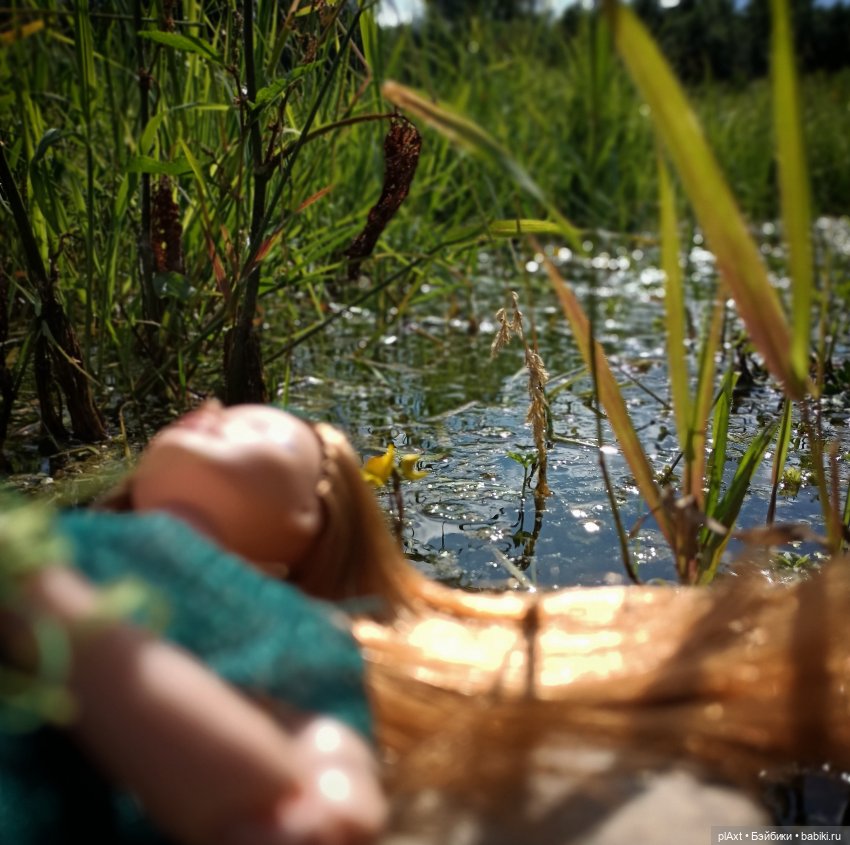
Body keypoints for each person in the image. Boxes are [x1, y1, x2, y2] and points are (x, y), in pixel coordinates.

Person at [4, 401, 850, 842]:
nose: (210, 401)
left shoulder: (283, 631)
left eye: (259, 418)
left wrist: (47, 598)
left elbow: (311, 817)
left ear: (312, 521)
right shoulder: (82, 540)